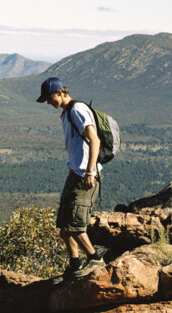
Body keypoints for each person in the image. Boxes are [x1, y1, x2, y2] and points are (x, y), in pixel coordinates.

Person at [36, 77, 105, 278]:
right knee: (64, 224)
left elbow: (95, 140)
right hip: (75, 174)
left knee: (74, 225)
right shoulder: (67, 113)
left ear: (60, 92)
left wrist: (90, 172)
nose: (49, 103)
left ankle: (95, 259)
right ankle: (75, 264)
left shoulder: (77, 110)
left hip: (85, 176)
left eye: (49, 99)